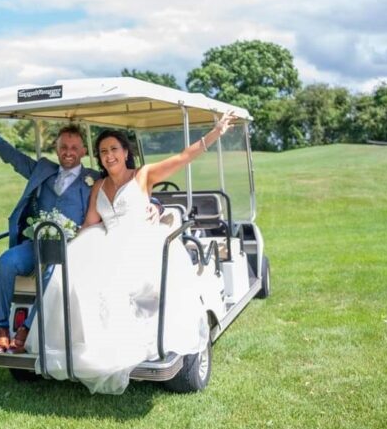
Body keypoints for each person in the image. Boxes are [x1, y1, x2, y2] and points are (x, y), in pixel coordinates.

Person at [25, 112, 238, 394]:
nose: (109, 155)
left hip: (141, 242)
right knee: (69, 279)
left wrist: (215, 132)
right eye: (103, 152)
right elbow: (91, 221)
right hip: (106, 240)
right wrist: (63, 236)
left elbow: (184, 157)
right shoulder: (98, 186)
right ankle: (85, 346)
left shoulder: (143, 175)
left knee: (115, 283)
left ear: (126, 152)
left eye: (114, 149)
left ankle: (125, 347)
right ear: (99, 158)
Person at [0, 117, 101, 354]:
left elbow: (123, 190)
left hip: (73, 248)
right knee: (5, 263)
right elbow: (12, 156)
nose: (68, 152)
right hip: (36, 243)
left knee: (53, 271)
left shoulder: (94, 179)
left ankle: (27, 328)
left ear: (83, 150)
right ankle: (1, 328)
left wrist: (155, 205)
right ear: (56, 149)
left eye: (73, 148)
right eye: (63, 147)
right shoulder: (42, 170)